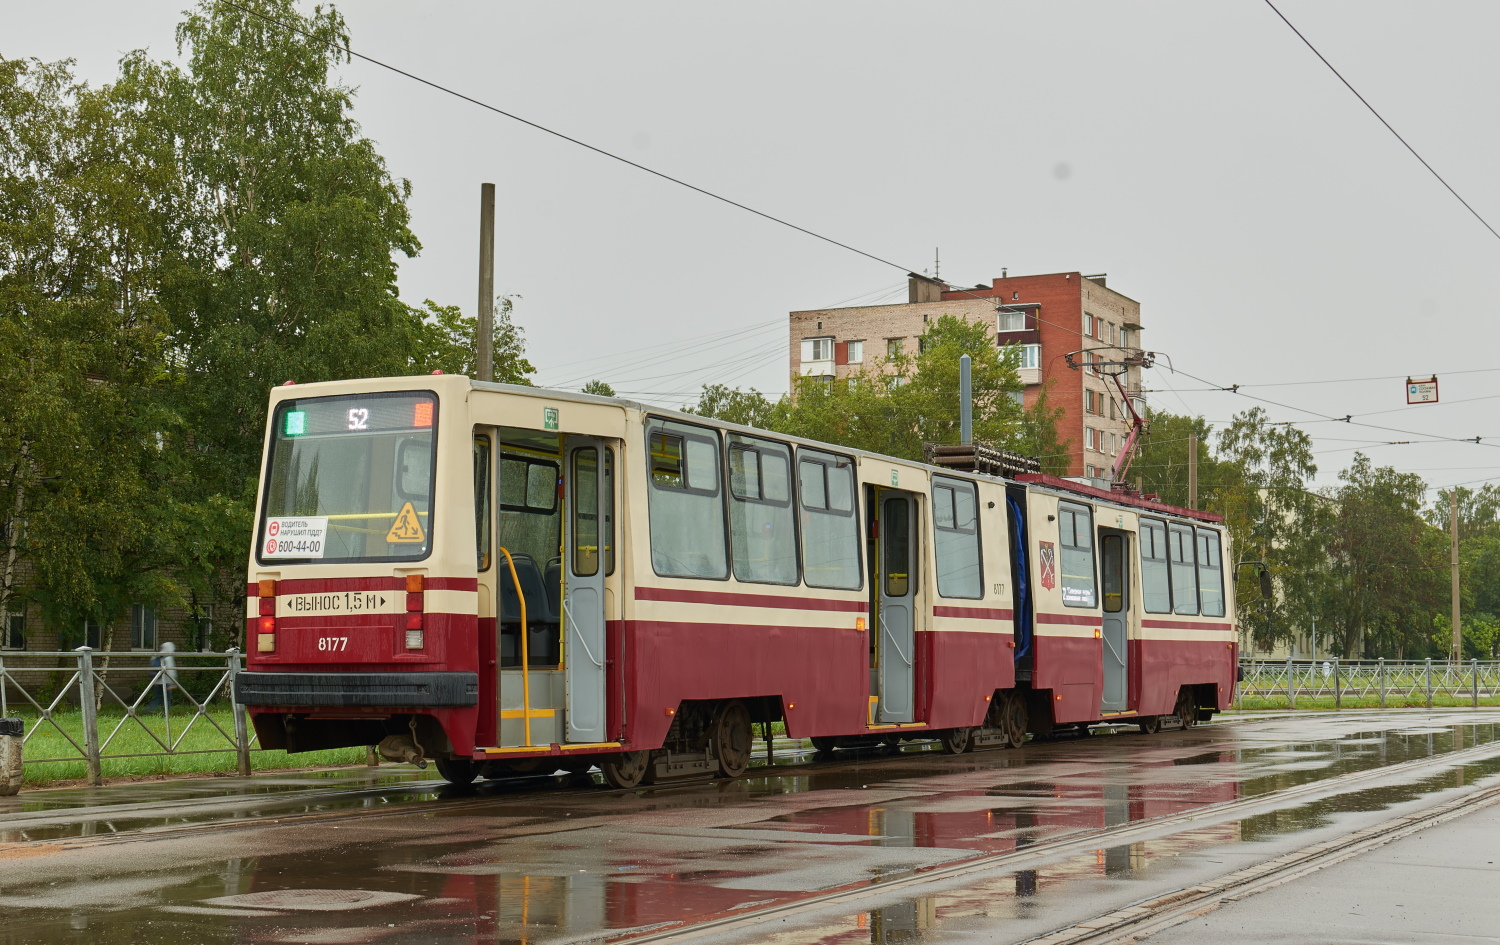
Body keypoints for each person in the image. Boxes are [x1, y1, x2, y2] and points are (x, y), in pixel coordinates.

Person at [145, 641, 179, 712]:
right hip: (166, 682)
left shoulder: (155, 656)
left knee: (158, 698)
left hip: (156, 681)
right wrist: (173, 683)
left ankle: (150, 708)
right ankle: (165, 714)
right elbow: (171, 671)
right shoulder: (168, 657)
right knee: (167, 699)